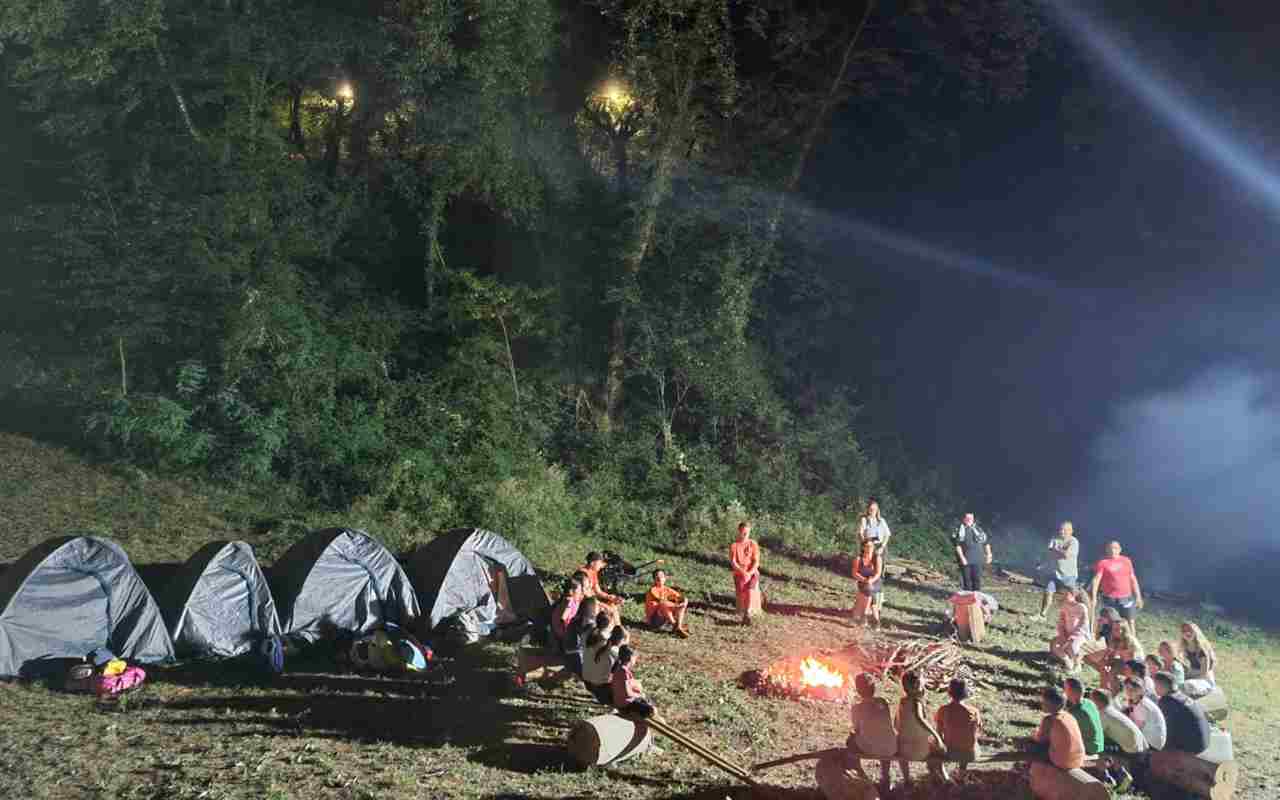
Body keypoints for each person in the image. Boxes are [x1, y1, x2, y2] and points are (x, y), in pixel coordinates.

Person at [897, 670, 949, 783]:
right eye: (922, 684)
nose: (924, 687)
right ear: (916, 685)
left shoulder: (902, 702)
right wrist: (937, 737)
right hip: (920, 751)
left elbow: (897, 724)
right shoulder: (917, 702)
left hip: (903, 750)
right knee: (937, 750)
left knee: (903, 755)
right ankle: (944, 777)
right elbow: (920, 719)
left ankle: (907, 779)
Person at [849, 672, 897, 789]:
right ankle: (886, 776)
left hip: (870, 748)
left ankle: (862, 775)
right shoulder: (883, 702)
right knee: (882, 736)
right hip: (890, 747)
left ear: (857, 690)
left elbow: (857, 729)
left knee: (850, 742)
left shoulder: (856, 708)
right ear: (874, 688)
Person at [1090, 540, 1144, 637]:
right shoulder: (1103, 563)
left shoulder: (1126, 561)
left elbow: (1133, 578)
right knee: (1109, 623)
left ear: (1120, 550)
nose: (1112, 550)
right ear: (1106, 550)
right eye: (1110, 548)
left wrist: (1138, 597)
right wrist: (1093, 597)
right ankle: (1108, 643)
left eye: (1115, 548)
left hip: (1127, 598)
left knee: (1130, 622)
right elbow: (1096, 580)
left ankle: (1133, 643)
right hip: (1109, 599)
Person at [1154, 671, 1210, 755]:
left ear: (1160, 686)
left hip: (1193, 748)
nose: (1154, 688)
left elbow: (1164, 729)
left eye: (1155, 685)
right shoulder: (1180, 695)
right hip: (1205, 741)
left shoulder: (1167, 701)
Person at [935, 678, 982, 776]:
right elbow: (977, 730)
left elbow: (938, 733)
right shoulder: (974, 711)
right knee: (967, 740)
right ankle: (962, 770)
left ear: (949, 692)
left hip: (950, 752)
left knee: (934, 743)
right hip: (970, 754)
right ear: (966, 693)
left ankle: (944, 774)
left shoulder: (943, 710)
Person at [1032, 686, 1086, 770]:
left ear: (1049, 704)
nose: (1042, 704)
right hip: (1078, 759)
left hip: (1063, 762)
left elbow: (1039, 739)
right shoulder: (1069, 716)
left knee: (1030, 745)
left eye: (1044, 702)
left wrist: (1034, 733)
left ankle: (1029, 771)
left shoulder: (1049, 720)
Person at [1040, 521, 1080, 619]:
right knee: (1048, 592)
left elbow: (1066, 555)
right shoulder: (1054, 539)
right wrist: (1044, 564)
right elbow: (1049, 553)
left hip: (1069, 575)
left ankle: (1074, 617)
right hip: (1054, 572)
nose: (1062, 531)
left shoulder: (1073, 542)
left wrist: (1056, 550)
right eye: (1061, 529)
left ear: (1071, 531)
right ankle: (1042, 614)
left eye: (1065, 530)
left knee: (1070, 598)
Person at [583, 625, 627, 705]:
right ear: (622, 640)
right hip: (600, 686)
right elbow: (615, 674)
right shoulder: (615, 653)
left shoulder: (599, 643)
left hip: (587, 681)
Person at [730, 521, 762, 625]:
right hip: (739, 572)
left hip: (751, 572)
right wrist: (743, 572)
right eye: (742, 533)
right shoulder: (734, 545)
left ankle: (747, 613)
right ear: (738, 532)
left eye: (746, 533)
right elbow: (733, 563)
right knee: (742, 586)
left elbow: (756, 561)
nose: (744, 535)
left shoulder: (753, 544)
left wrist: (750, 572)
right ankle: (744, 612)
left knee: (749, 588)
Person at [1050, 589, 1091, 671]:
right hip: (1067, 634)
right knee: (1055, 646)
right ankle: (1068, 662)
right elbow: (1061, 623)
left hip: (1080, 635)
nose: (1064, 596)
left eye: (1066, 594)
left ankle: (1077, 665)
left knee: (1072, 647)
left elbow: (1083, 625)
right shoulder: (1064, 606)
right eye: (1063, 593)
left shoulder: (1081, 607)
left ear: (1073, 595)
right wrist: (1062, 635)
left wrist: (1072, 637)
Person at [1122, 676, 1166, 750]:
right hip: (1148, 740)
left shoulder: (1143, 706)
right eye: (1127, 689)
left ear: (1141, 691)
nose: (1130, 692)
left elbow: (1136, 729)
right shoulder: (1135, 701)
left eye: (1134, 689)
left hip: (1152, 744)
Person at [611, 644, 656, 718]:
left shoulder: (619, 668)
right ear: (631, 658)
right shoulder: (623, 672)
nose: (635, 660)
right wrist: (639, 695)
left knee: (649, 700)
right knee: (652, 709)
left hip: (622, 701)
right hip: (625, 704)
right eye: (635, 658)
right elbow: (627, 693)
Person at [952, 513, 992, 592]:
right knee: (967, 581)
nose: (969, 520)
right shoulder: (959, 530)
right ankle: (968, 600)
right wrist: (962, 558)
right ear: (963, 519)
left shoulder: (978, 529)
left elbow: (986, 543)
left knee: (977, 580)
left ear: (973, 519)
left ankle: (976, 599)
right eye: (967, 518)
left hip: (978, 559)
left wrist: (989, 555)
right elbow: (957, 546)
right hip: (966, 560)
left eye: (971, 518)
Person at [1064, 677, 1104, 757]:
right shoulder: (1089, 703)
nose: (1064, 691)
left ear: (1071, 691)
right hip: (1099, 745)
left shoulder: (1077, 712)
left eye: (1065, 689)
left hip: (1090, 748)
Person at [579, 552, 625, 622]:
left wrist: (611, 597)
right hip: (584, 603)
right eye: (600, 563)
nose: (601, 566)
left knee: (613, 606)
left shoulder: (593, 572)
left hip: (592, 601)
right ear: (592, 563)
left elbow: (598, 591)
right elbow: (584, 596)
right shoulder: (582, 574)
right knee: (611, 610)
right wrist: (600, 604)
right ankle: (615, 629)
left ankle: (617, 629)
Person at [643, 569, 690, 638]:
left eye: (661, 576)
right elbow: (661, 601)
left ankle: (678, 626)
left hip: (665, 619)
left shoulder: (668, 589)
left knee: (683, 602)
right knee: (664, 604)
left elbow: (680, 598)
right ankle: (675, 626)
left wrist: (684, 601)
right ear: (654, 579)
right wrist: (676, 605)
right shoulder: (652, 590)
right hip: (654, 621)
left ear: (665, 578)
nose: (659, 578)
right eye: (657, 576)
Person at [1178, 622, 1217, 698]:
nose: (1187, 633)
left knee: (1186, 686)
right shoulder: (1185, 647)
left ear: (1195, 632)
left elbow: (1203, 674)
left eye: (1190, 630)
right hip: (1192, 676)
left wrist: (1187, 678)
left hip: (1205, 681)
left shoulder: (1202, 650)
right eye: (1184, 631)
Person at [852, 539, 884, 629]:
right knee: (869, 593)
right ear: (863, 547)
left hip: (875, 582)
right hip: (863, 581)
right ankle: (876, 621)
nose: (870, 548)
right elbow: (854, 573)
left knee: (868, 590)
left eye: (871, 546)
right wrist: (865, 580)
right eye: (867, 546)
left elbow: (878, 573)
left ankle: (864, 616)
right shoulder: (858, 558)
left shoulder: (877, 558)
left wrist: (871, 580)